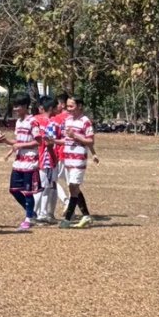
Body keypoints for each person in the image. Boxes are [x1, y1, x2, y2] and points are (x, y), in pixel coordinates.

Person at [57, 95, 98, 228]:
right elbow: (66, 140)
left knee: (73, 186)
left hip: (79, 159)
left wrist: (75, 135)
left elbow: (90, 140)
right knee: (73, 187)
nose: (68, 109)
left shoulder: (85, 121)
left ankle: (67, 219)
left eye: (71, 106)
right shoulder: (68, 120)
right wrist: (53, 141)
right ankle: (86, 216)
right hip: (68, 159)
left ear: (79, 106)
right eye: (67, 106)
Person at [5, 94, 40, 231]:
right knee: (13, 190)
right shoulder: (18, 122)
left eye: (17, 106)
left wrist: (21, 145)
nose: (15, 109)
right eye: (14, 106)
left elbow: (38, 141)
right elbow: (18, 141)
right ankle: (31, 212)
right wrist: (6, 141)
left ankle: (28, 218)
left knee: (28, 191)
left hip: (30, 161)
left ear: (25, 106)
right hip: (19, 161)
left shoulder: (33, 121)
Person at [33, 96, 60, 223]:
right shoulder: (51, 123)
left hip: (35, 156)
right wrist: (54, 158)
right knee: (46, 187)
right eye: (55, 107)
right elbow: (50, 144)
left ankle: (37, 213)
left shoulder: (34, 119)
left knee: (39, 186)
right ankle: (40, 214)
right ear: (51, 108)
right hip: (47, 158)